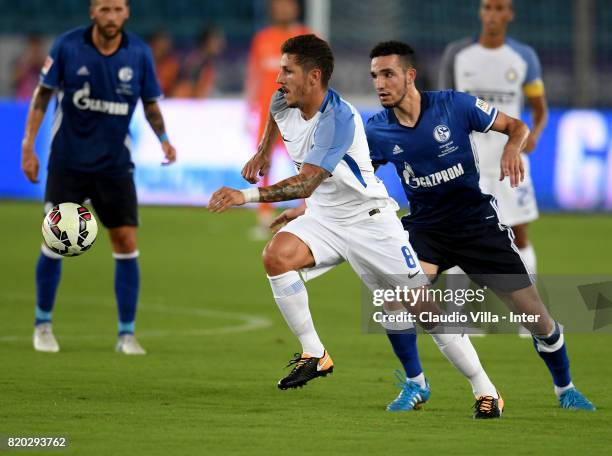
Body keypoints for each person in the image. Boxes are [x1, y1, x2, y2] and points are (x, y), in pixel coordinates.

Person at [210, 34, 503, 419]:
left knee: (423, 311)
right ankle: (315, 353)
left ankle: (486, 390)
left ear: (314, 77)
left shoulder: (339, 118)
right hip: (324, 218)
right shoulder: (283, 99)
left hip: (369, 221)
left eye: (288, 71)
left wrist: (246, 196)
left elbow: (306, 181)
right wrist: (263, 151)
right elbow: (274, 116)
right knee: (277, 256)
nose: (279, 79)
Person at [365, 40, 595, 414]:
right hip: (426, 230)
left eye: (388, 74)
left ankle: (565, 388)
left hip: (477, 226)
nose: (380, 83)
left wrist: (511, 148)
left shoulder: (454, 105)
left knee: (538, 320)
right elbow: (357, 179)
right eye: (374, 76)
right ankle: (415, 384)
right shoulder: (376, 131)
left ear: (410, 75)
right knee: (395, 296)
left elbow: (516, 126)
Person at [21, 0, 177, 355]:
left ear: (127, 13)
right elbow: (42, 96)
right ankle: (42, 325)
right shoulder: (67, 46)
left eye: (117, 9)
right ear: (93, 12)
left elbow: (150, 103)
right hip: (68, 163)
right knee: (56, 241)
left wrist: (164, 140)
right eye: (104, 9)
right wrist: (28, 146)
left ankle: (127, 334)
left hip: (114, 166)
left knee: (125, 243)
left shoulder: (138, 53)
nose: (111, 16)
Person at [438, 0, 547, 312]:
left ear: (510, 14)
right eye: (488, 7)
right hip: (467, 162)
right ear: (480, 12)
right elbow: (443, 107)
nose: (493, 15)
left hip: (509, 163)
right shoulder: (457, 55)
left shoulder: (523, 57)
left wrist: (534, 136)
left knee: (519, 235)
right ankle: (459, 317)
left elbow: (539, 109)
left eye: (500, 8)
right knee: (460, 236)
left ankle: (531, 314)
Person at [244, 0, 310, 238]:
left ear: (295, 8)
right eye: (278, 5)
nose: (282, 9)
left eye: (287, 5)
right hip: (267, 113)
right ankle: (264, 214)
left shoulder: (307, 37)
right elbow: (254, 74)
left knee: (305, 162)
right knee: (263, 162)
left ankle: (308, 211)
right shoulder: (262, 38)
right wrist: (248, 108)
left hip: (298, 113)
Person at [172, 26, 225, 99]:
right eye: (216, 40)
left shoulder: (209, 61)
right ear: (207, 41)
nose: (220, 43)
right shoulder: (196, 60)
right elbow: (186, 86)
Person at [12, 34, 47, 101]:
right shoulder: (20, 62)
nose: (34, 51)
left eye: (37, 48)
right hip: (22, 102)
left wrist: (41, 65)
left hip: (40, 102)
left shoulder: (45, 62)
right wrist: (27, 64)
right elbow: (13, 80)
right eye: (32, 48)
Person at [148, 30, 180, 96]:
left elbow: (173, 86)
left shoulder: (171, 64)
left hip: (166, 100)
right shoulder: (141, 63)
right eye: (158, 46)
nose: (161, 50)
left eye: (164, 47)